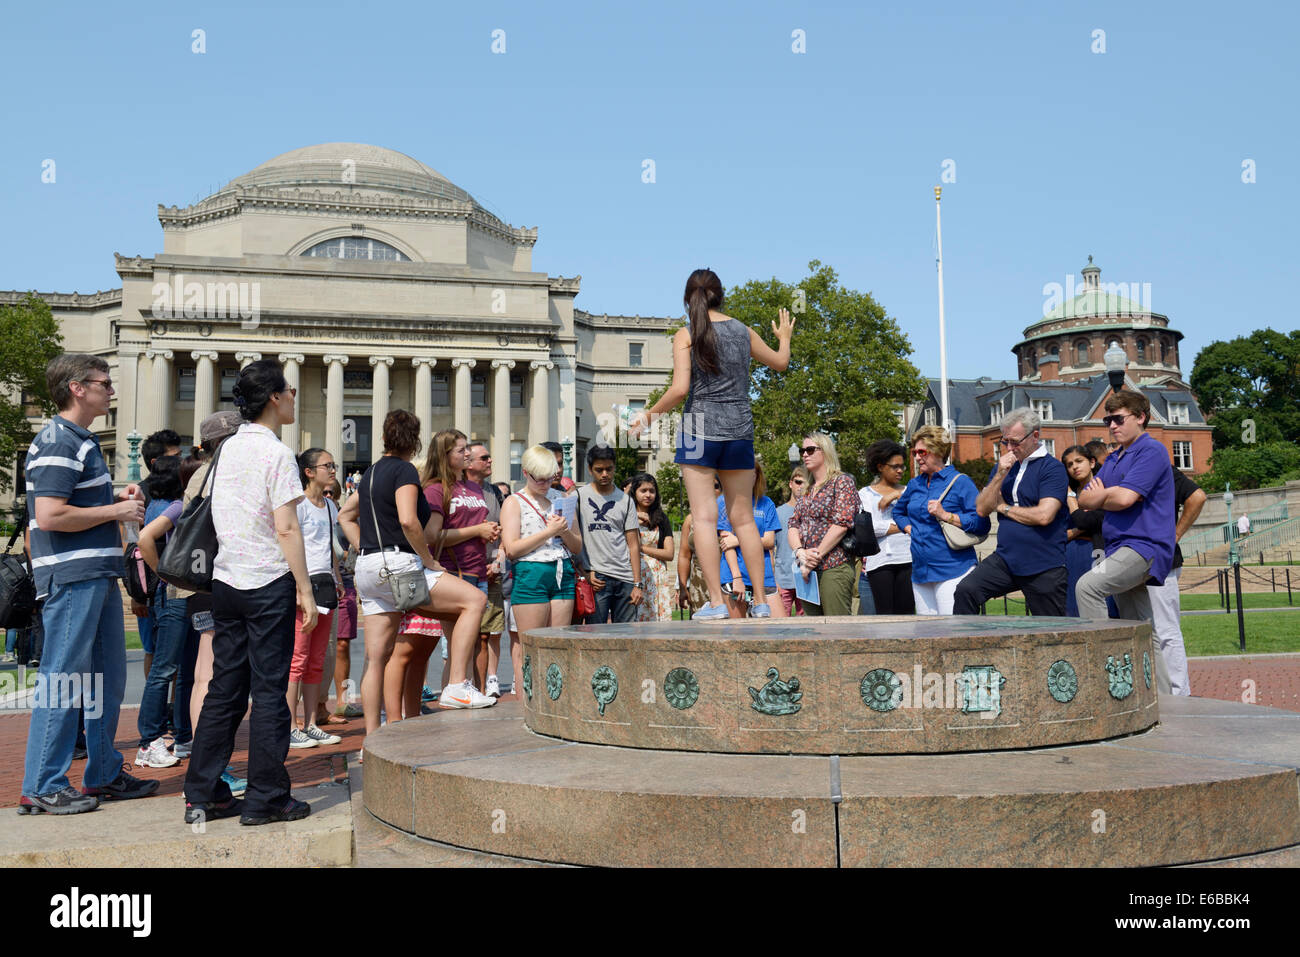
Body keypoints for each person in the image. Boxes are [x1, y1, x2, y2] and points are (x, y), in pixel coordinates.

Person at [19, 354, 158, 815]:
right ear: (78, 388)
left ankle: (102, 773)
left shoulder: (76, 440)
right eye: (104, 383)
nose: (110, 390)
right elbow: (50, 515)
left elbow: (65, 503)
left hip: (94, 575)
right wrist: (115, 512)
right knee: (62, 680)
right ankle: (43, 782)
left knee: (105, 680)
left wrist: (111, 496)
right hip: (74, 577)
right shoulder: (60, 439)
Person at [183, 359, 317, 826]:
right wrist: (304, 588)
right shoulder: (277, 453)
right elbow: (286, 527)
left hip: (226, 581)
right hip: (266, 581)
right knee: (268, 690)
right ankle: (267, 797)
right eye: (291, 391)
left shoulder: (226, 450)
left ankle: (203, 793)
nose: (295, 398)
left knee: (224, 689)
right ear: (275, 398)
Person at [632, 268, 795, 619]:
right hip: (739, 429)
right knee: (745, 520)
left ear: (688, 299)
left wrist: (648, 416)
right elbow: (780, 363)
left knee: (704, 519)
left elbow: (679, 390)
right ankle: (763, 604)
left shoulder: (686, 334)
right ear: (721, 295)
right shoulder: (743, 331)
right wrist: (784, 337)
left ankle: (718, 605)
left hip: (698, 430)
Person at [337, 411, 492, 736]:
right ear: (416, 441)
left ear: (383, 439)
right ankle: (455, 685)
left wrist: (367, 548)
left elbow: (345, 515)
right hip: (400, 565)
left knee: (376, 657)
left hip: (368, 567)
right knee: (474, 600)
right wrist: (428, 560)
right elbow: (409, 520)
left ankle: (372, 738)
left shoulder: (371, 471)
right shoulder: (405, 470)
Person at [176, 410, 247, 795]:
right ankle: (213, 769)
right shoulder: (224, 472)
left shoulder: (200, 474)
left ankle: (208, 766)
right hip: (220, 580)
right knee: (215, 676)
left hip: (198, 584)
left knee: (206, 674)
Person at [1075, 390, 1176, 636]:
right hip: (1118, 547)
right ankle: (1155, 677)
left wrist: (1105, 495)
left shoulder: (1151, 450)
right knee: (1141, 630)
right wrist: (1110, 495)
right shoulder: (1113, 459)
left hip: (1144, 546)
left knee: (1087, 587)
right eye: (1107, 421)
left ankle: (1102, 663)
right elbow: (1083, 499)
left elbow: (1125, 499)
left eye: (1118, 419)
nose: (1112, 426)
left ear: (1141, 417)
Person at [954, 408, 1069, 616]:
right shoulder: (1005, 466)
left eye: (1015, 441)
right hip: (1006, 559)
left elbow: (1044, 516)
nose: (1009, 447)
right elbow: (981, 508)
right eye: (1005, 441)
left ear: (1035, 436)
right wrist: (999, 474)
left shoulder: (1052, 468)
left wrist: (1003, 507)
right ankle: (967, 645)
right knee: (966, 590)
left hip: (1043, 563)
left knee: (1052, 630)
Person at [132, 454, 190, 769]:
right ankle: (149, 741)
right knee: (167, 670)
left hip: (161, 596)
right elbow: (145, 540)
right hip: (172, 595)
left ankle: (179, 736)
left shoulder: (153, 504)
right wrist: (166, 575)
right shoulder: (177, 507)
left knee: (172, 669)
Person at [895, 425, 990, 615]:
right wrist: (909, 529)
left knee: (951, 632)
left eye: (922, 452)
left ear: (938, 451)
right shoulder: (915, 484)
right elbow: (898, 512)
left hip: (953, 569)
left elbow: (982, 524)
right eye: (914, 452)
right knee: (927, 636)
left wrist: (947, 516)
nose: (917, 457)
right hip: (921, 572)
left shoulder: (960, 482)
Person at [285, 448, 344, 749]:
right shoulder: (298, 505)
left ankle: (310, 723)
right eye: (327, 465)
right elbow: (288, 544)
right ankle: (290, 725)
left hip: (325, 585)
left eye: (333, 465)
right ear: (308, 471)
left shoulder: (331, 507)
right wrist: (297, 587)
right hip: (303, 586)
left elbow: (328, 546)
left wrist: (337, 577)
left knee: (317, 660)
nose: (333, 470)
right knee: (298, 659)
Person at [500, 445, 584, 646]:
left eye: (550, 477)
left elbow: (577, 546)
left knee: (558, 646)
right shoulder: (514, 502)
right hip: (531, 573)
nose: (545, 484)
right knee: (532, 647)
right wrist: (549, 532)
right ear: (526, 473)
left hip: (562, 572)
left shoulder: (563, 498)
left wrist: (563, 531)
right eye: (539, 478)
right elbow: (511, 549)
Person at [1146, 466, 1206, 695]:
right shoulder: (1118, 465)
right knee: (1153, 630)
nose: (1113, 428)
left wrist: (1176, 534)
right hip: (1131, 559)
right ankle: (1161, 691)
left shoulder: (1161, 466)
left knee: (1165, 629)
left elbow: (1197, 497)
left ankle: (1179, 693)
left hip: (1161, 560)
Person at [787, 433, 860, 616]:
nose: (804, 455)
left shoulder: (842, 482)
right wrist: (799, 552)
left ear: (825, 451)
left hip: (834, 566)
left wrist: (815, 556)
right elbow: (793, 524)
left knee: (837, 630)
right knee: (814, 630)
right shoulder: (806, 489)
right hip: (806, 570)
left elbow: (842, 523)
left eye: (810, 450)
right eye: (803, 450)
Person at [576, 445, 644, 623]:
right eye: (599, 470)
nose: (604, 474)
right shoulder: (578, 496)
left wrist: (637, 583)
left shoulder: (626, 500)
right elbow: (573, 540)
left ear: (615, 468)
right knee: (596, 636)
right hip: (597, 578)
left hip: (625, 577)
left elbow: (633, 544)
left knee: (626, 636)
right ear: (590, 469)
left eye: (609, 469)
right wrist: (585, 571)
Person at [717, 462, 786, 618]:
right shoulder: (724, 501)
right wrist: (737, 578)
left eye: (752, 473)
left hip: (764, 580)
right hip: (738, 580)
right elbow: (727, 544)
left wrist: (739, 540)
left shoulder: (766, 503)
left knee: (779, 624)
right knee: (739, 630)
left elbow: (769, 541)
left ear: (757, 476)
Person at [466, 442, 508, 694]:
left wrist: (498, 562)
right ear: (468, 463)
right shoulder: (456, 491)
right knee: (464, 636)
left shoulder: (495, 493)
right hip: (462, 572)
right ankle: (460, 686)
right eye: (484, 458)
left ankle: (481, 690)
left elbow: (506, 533)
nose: (490, 461)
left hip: (491, 572)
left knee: (484, 635)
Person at [858, 441, 915, 615]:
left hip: (908, 559)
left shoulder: (910, 491)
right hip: (880, 562)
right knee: (884, 618)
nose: (900, 471)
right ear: (881, 466)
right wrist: (904, 525)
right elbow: (870, 528)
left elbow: (920, 520)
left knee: (906, 618)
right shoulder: (865, 494)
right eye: (895, 466)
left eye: (902, 467)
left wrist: (897, 494)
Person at [1061, 445, 1105, 618]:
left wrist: (1073, 504)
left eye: (1079, 461)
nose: (1075, 467)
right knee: (1073, 602)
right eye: (1070, 464)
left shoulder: (1103, 487)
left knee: (1101, 597)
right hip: (1071, 552)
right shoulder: (1065, 493)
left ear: (1092, 462)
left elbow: (1097, 521)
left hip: (1098, 549)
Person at [629, 473, 675, 622]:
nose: (648, 495)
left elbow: (669, 553)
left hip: (657, 577)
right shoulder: (626, 516)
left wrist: (641, 548)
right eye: (643, 491)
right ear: (634, 492)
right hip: (634, 574)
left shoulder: (661, 518)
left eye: (652, 491)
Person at [773, 467, 809, 616]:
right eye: (798, 482)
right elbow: (770, 548)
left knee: (806, 628)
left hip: (806, 578)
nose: (800, 486)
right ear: (790, 484)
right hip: (783, 579)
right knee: (780, 626)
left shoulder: (812, 512)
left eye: (805, 483)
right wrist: (773, 581)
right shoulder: (778, 512)